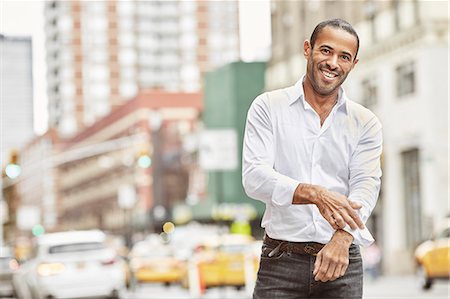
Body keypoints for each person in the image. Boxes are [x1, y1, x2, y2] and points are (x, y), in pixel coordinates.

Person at [242, 18, 382, 299]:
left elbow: (366, 187)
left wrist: (343, 238)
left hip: (341, 260)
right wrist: (315, 194)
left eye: (344, 57)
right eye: (326, 51)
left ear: (353, 64)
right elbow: (254, 177)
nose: (333, 63)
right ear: (308, 49)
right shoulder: (268, 107)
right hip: (280, 262)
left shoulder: (365, 122)